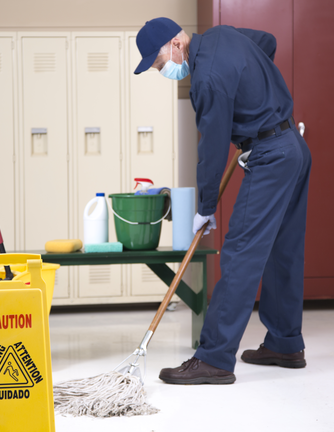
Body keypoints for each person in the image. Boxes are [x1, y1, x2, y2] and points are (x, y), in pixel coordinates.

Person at [133, 17, 312, 384]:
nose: (163, 70)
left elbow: (211, 149)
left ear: (176, 45)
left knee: (240, 252)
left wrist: (205, 208)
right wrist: (256, 104)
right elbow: (268, 40)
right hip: (293, 147)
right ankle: (285, 342)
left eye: (159, 62)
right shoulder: (222, 36)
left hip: (271, 157)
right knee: (283, 249)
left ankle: (213, 357)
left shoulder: (207, 78)